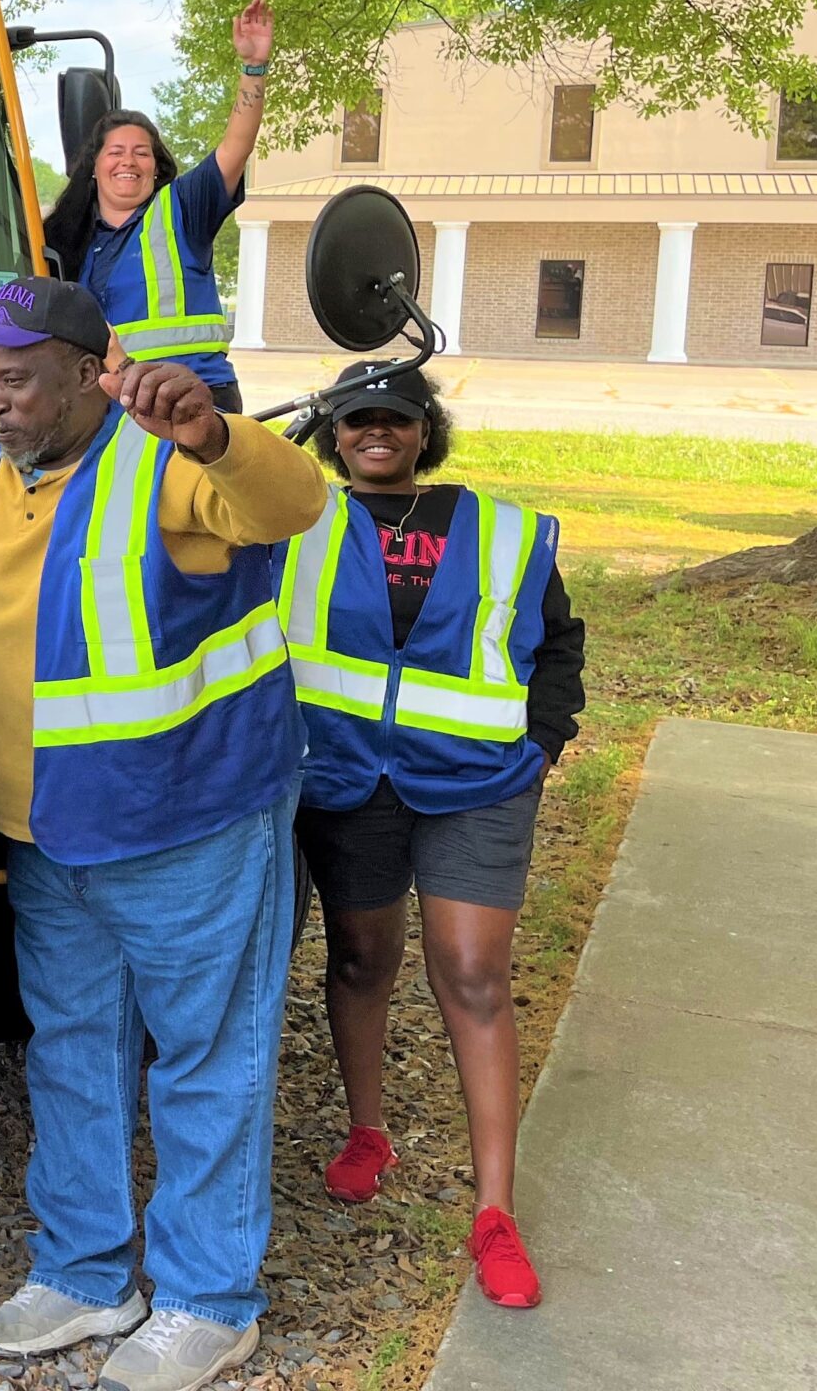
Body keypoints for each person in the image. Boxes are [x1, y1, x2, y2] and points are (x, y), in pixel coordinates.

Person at [0, 274, 324, 1391]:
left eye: (18, 379)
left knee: (207, 1064)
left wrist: (214, 437)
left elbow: (291, 505)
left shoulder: (166, 461)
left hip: (188, 825)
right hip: (45, 831)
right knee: (72, 1054)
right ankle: (84, 1272)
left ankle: (211, 1299)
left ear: (85, 373)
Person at [279, 362, 585, 1310]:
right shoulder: (297, 520)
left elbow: (558, 637)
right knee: (364, 959)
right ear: (333, 434)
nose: (378, 431)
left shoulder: (501, 529)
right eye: (357, 418)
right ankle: (368, 1131)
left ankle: (495, 1212)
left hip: (477, 784)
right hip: (346, 780)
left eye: (397, 417)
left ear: (424, 431)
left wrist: (545, 739)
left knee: (471, 972)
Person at [37, 0, 274, 412]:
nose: (128, 161)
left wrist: (253, 69)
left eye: (141, 153)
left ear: (155, 165)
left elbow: (235, 148)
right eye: (115, 152)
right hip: (112, 405)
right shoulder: (69, 239)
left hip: (195, 399)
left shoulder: (182, 209)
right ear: (93, 167)